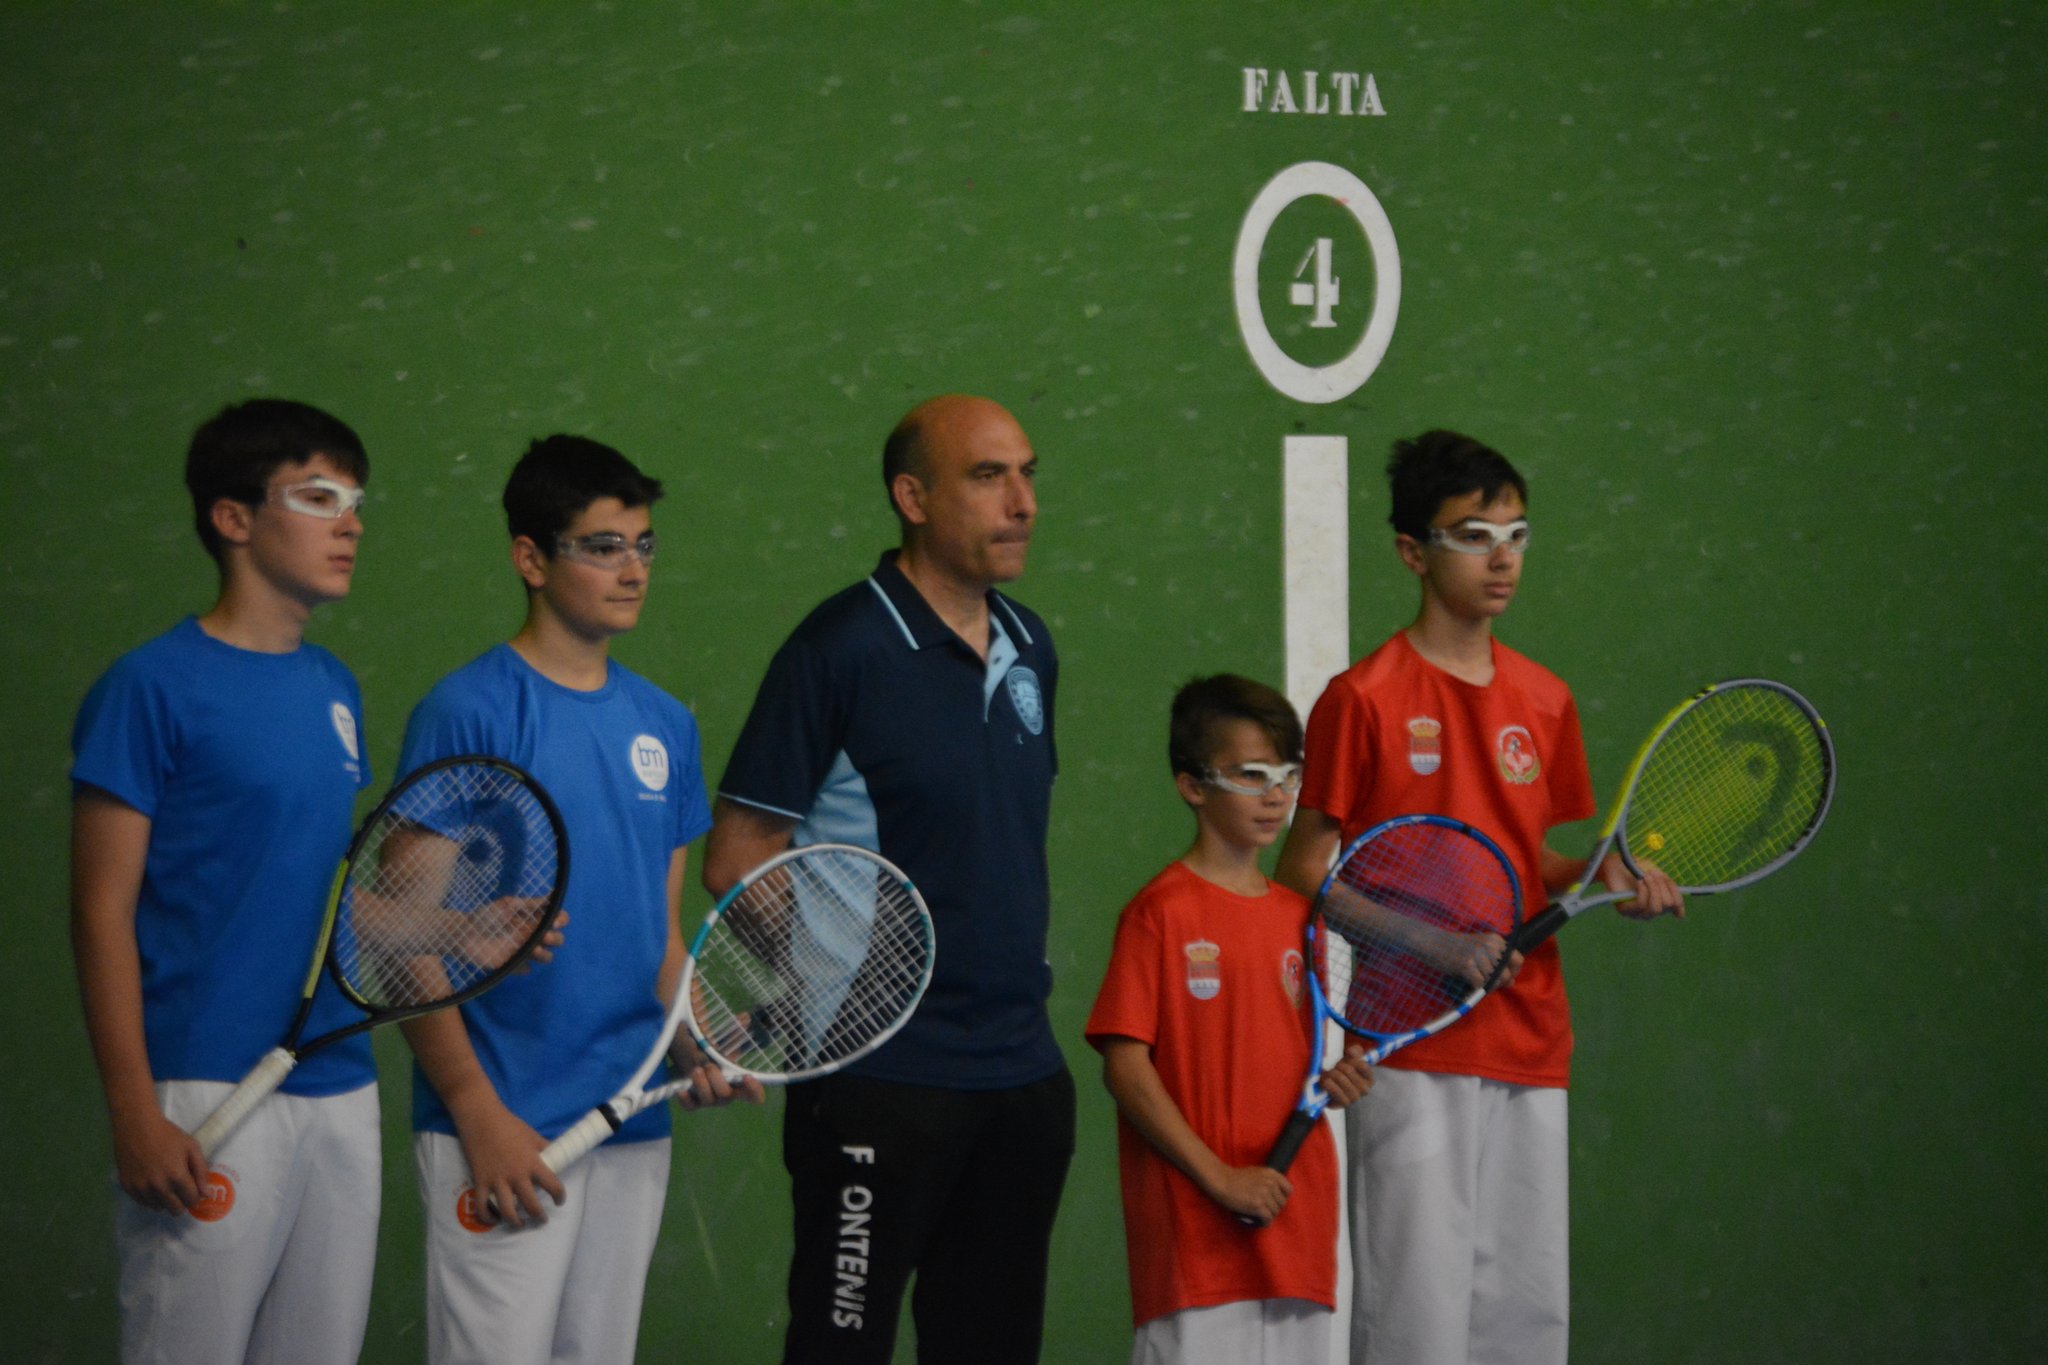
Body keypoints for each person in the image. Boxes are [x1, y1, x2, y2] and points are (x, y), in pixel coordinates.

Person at [1273, 429, 1685, 1365]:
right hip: (1412, 1043)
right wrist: (1431, 943)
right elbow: (1302, 873)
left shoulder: (1545, 699)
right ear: (1412, 552)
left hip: (1533, 1038)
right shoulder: (1364, 698)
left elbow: (1529, 861)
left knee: (1525, 1325)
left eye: (1516, 533)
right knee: (1418, 1322)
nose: (1501, 556)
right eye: (1472, 535)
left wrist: (1601, 880)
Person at [705, 394, 1072, 1364]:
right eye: (988, 477)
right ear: (911, 496)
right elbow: (738, 857)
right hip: (879, 1084)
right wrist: (826, 986)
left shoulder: (1031, 647)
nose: (1022, 501)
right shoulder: (839, 650)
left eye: (1027, 473)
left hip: (1020, 1076)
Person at [394, 434, 754, 1365]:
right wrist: (475, 1108)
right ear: (530, 558)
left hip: (631, 1121)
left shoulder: (664, 724)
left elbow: (658, 935)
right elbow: (393, 927)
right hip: (504, 1124)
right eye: (602, 545)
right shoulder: (467, 709)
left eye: (642, 544)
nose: (632, 568)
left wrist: (694, 1036)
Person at [70, 398, 380, 1364]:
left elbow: (326, 894)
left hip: (338, 1083)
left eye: (356, 500)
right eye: (320, 495)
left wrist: (474, 930)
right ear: (233, 517)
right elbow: (99, 910)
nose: (351, 522)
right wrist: (133, 1108)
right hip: (204, 1089)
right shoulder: (148, 686)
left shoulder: (335, 688)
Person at [1086, 674, 1374, 1364]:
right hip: (1198, 1243)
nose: (1276, 795)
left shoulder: (1298, 917)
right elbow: (1126, 1068)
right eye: (1251, 775)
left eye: (1287, 775)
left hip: (1296, 1230)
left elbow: (1288, 1057)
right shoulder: (1158, 913)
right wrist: (1220, 1177)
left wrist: (1339, 1076)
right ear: (1193, 785)